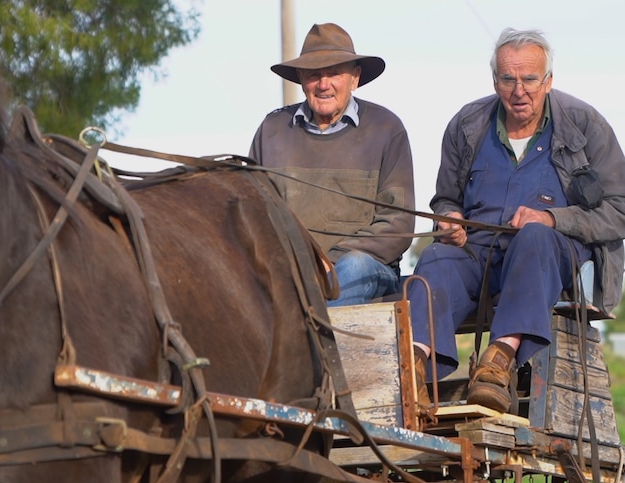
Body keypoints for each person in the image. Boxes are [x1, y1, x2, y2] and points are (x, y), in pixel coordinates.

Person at [409, 28, 625, 412]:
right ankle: (415, 371)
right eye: (508, 79)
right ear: (495, 80)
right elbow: (444, 198)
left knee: (534, 238)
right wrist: (450, 218)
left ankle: (499, 361)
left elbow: (620, 209)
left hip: (551, 255)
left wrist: (552, 219)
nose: (518, 90)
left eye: (529, 79)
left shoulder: (585, 125)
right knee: (434, 261)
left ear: (548, 81)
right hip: (478, 252)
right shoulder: (467, 125)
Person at [249, 23, 415, 307]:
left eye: (334, 72)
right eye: (314, 74)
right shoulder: (272, 130)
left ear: (355, 78)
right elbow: (252, 214)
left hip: (367, 270)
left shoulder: (386, 129)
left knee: (353, 267)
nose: (323, 84)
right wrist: (298, 263)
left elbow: (397, 224)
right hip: (291, 270)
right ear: (302, 79)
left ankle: (317, 349)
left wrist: (329, 261)